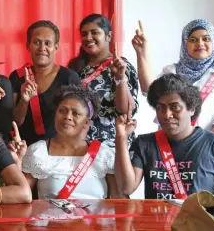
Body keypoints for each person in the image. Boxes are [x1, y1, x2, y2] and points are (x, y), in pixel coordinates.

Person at [114, 74, 214, 199]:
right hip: (154, 218)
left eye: (175, 107)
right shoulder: (144, 143)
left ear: (192, 109)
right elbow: (125, 188)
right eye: (161, 108)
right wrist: (121, 138)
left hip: (198, 218)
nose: (167, 115)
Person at [134, 19, 214, 142]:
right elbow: (150, 91)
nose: (200, 43)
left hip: (210, 154)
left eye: (206, 39)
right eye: (193, 39)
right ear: (184, 43)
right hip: (169, 153)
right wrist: (142, 53)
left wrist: (197, 150)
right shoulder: (172, 72)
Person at [12, 85, 122, 199]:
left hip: (96, 217)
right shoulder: (38, 151)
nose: (68, 117)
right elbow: (21, 197)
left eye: (75, 113)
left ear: (86, 122)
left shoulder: (104, 154)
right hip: (50, 216)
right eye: (62, 111)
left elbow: (118, 198)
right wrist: (18, 162)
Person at [68, 14, 139, 147]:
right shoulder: (76, 67)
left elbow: (126, 111)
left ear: (108, 36)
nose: (88, 38)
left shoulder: (121, 66)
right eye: (84, 34)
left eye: (94, 33)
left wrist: (119, 78)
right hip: (78, 143)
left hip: (110, 144)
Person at [10, 20, 81, 146]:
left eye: (48, 43)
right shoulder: (17, 76)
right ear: (28, 45)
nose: (42, 48)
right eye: (37, 42)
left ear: (56, 47)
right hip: (23, 149)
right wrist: (24, 101)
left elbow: (78, 118)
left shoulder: (69, 77)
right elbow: (14, 121)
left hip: (58, 150)